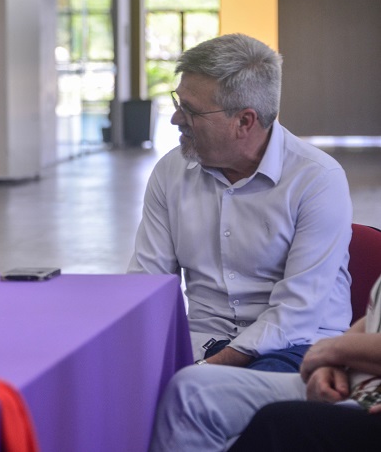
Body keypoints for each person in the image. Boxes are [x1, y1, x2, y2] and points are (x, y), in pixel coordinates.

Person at [127, 33, 352, 372]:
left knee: (195, 393)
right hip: (203, 342)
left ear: (244, 121)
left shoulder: (317, 179)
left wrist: (205, 371)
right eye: (178, 102)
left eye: (190, 110)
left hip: (298, 348)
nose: (175, 119)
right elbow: (148, 284)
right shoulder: (171, 171)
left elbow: (296, 312)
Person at [149, 273, 381, 452]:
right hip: (349, 376)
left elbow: (296, 309)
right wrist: (334, 362)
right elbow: (372, 318)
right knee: (192, 389)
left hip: (356, 390)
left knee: (276, 421)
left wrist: (330, 350)